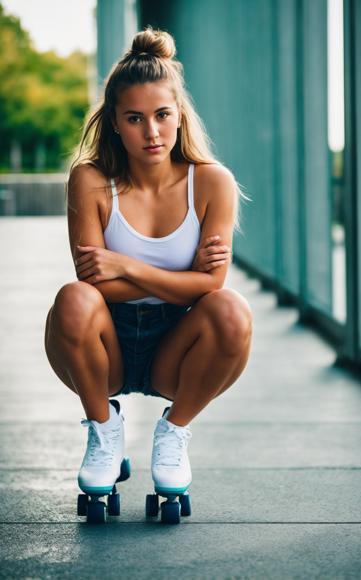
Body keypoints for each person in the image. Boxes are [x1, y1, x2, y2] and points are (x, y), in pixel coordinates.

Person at [44, 26, 253, 505]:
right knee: (74, 300)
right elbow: (92, 286)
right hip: (103, 347)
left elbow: (212, 287)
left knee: (231, 310)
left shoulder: (212, 183)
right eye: (135, 118)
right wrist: (184, 281)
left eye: (162, 114)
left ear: (179, 113)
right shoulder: (90, 180)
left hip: (174, 351)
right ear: (115, 122)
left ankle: (174, 431)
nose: (152, 132)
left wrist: (125, 267)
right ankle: (103, 426)